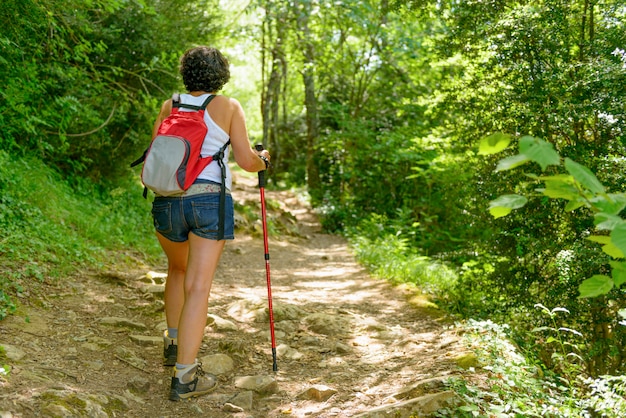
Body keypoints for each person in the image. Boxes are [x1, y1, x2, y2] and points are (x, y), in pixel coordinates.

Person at [150, 46, 271, 401]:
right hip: (208, 200)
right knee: (198, 286)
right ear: (221, 75)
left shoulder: (169, 104)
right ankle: (184, 378)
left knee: (176, 270)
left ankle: (173, 342)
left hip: (167, 201)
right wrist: (264, 160)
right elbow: (248, 162)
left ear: (186, 72)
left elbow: (159, 152)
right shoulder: (229, 106)